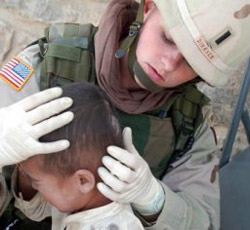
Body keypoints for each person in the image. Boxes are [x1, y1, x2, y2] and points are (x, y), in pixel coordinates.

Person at [0, 0, 249, 229]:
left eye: (191, 63)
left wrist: (154, 200)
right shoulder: (50, 65)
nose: (169, 63)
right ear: (149, 7)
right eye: (168, 39)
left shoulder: (188, 124)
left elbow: (203, 222)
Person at [15, 82, 144, 230]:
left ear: (83, 181)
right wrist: (25, 171)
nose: (33, 185)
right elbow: (35, 211)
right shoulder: (76, 195)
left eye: (36, 182)